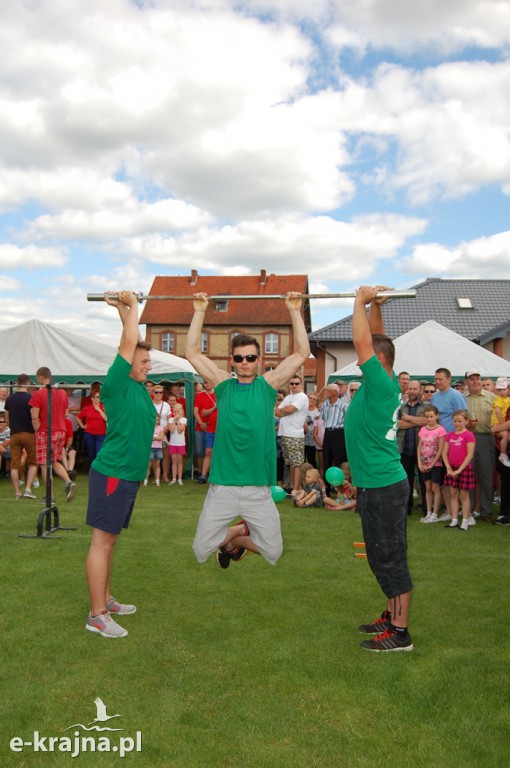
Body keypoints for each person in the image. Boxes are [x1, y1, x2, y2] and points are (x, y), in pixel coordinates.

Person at [185, 291, 310, 569]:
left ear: (258, 358)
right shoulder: (223, 384)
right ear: (232, 360)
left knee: (273, 553)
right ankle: (233, 534)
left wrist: (293, 310)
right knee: (200, 551)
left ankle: (235, 538)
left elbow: (302, 353)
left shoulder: (267, 385)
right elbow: (191, 352)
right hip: (223, 488)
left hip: (257, 488)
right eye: (240, 358)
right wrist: (200, 310)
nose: (245, 362)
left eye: (250, 357)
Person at [344, 286, 413, 652]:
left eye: (367, 358)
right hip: (376, 486)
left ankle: (401, 634)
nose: (359, 361)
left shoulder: (382, 385)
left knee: (391, 558)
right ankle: (391, 617)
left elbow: (363, 343)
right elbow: (376, 340)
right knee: (380, 555)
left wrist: (359, 299)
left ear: (378, 363)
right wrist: (373, 307)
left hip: (385, 486)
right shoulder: (382, 381)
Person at [85, 290, 155, 639]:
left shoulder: (139, 387)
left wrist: (124, 309)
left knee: (110, 542)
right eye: (142, 363)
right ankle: (96, 615)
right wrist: (135, 304)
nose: (147, 366)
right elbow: (128, 343)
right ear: (127, 365)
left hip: (127, 476)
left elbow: (134, 341)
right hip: (112, 473)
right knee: (102, 542)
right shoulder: (116, 383)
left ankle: (106, 599)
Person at [29, 368, 76, 503]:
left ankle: (50, 496)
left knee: (44, 464)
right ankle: (68, 482)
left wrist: (39, 431)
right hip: (61, 431)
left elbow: (34, 416)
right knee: (54, 460)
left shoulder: (39, 394)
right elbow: (66, 413)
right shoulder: (61, 393)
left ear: (41, 378)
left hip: (46, 431)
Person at [464, 369, 496, 522]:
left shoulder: (491, 397)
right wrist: (467, 423)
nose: (475, 381)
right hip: (468, 439)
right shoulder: (462, 398)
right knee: (469, 474)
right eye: (471, 379)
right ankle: (468, 511)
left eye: (477, 378)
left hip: (486, 438)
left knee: (486, 475)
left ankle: (486, 511)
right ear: (466, 382)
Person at [4, 374, 39, 499]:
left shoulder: (9, 399)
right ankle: (28, 489)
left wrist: (12, 427)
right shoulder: (31, 398)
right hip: (29, 433)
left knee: (14, 464)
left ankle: (17, 492)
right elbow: (34, 417)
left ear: (17, 383)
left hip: (14, 434)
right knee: (33, 463)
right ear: (28, 383)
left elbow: (7, 417)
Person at [442, 410, 476, 531]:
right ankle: (454, 520)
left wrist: (459, 470)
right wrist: (448, 467)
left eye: (460, 421)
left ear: (466, 421)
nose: (457, 423)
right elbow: (444, 453)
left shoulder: (469, 435)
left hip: (464, 468)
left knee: (464, 495)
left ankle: (465, 521)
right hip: (452, 468)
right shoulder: (450, 435)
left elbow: (470, 455)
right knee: (453, 494)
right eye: (455, 421)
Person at [397, 380, 427, 514]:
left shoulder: (427, 407)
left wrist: (407, 418)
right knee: (406, 481)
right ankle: (407, 507)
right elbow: (398, 425)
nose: (412, 391)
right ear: (406, 390)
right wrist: (417, 421)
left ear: (420, 390)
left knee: (424, 481)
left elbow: (426, 421)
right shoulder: (400, 407)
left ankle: (426, 507)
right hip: (405, 449)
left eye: (415, 389)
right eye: (410, 389)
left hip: (423, 449)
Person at [276, 375, 309, 494]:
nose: (294, 385)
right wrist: (285, 410)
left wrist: (284, 410)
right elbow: (277, 412)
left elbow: (287, 410)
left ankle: (296, 489)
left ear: (301, 384)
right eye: (291, 383)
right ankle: (292, 487)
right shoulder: (289, 397)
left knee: (297, 463)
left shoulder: (302, 397)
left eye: (296, 383)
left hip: (295, 434)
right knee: (290, 462)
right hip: (284, 433)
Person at [417, 405, 446, 523]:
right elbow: (419, 447)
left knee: (435, 487)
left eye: (431, 416)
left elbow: (440, 449)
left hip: (436, 464)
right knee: (427, 487)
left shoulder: (441, 430)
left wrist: (433, 463)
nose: (429, 419)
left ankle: (435, 513)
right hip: (424, 463)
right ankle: (428, 512)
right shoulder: (423, 429)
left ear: (437, 416)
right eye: (427, 417)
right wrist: (419, 463)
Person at [320, 383, 348, 492]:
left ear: (335, 392)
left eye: (328, 391)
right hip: (328, 432)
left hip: (339, 433)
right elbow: (322, 419)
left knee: (339, 460)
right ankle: (326, 489)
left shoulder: (343, 405)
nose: (326, 392)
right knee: (326, 460)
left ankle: (340, 489)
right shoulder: (325, 404)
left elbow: (348, 420)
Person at [77, 392, 108, 462]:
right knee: (91, 453)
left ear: (100, 398)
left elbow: (106, 419)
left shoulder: (104, 407)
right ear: (91, 398)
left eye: (97, 397)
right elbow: (78, 417)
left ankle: (98, 469)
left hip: (101, 434)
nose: (95, 399)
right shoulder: (87, 408)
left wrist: (99, 410)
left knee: (98, 452)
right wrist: (82, 425)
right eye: (93, 397)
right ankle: (92, 469)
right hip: (89, 433)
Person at [491, 377, 510, 467]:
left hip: (500, 423)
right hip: (497, 422)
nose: (502, 392)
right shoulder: (499, 399)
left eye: (504, 389)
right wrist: (502, 424)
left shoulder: (507, 399)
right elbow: (498, 412)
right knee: (505, 435)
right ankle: (503, 454)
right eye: (499, 390)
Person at [168, 402, 187, 485]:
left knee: (180, 460)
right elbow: (171, 430)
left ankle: (179, 479)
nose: (176, 413)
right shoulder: (170, 420)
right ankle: (174, 478)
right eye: (175, 412)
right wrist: (174, 421)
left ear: (181, 411)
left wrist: (178, 421)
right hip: (172, 443)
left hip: (180, 443)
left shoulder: (184, 419)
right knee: (174, 460)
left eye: (178, 411)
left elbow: (180, 430)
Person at [145, 415, 166, 487]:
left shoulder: (161, 428)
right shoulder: (148, 428)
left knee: (158, 465)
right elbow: (147, 438)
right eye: (154, 420)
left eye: (157, 420)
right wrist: (157, 437)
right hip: (150, 448)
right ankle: (145, 480)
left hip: (158, 448)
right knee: (148, 465)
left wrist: (153, 437)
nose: (156, 422)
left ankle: (157, 480)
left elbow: (161, 438)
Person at [303, 391, 321, 467]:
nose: (311, 400)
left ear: (317, 401)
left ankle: (313, 476)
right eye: (310, 398)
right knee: (301, 460)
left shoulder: (318, 413)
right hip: (301, 439)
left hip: (312, 441)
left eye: (314, 399)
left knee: (312, 460)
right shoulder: (302, 410)